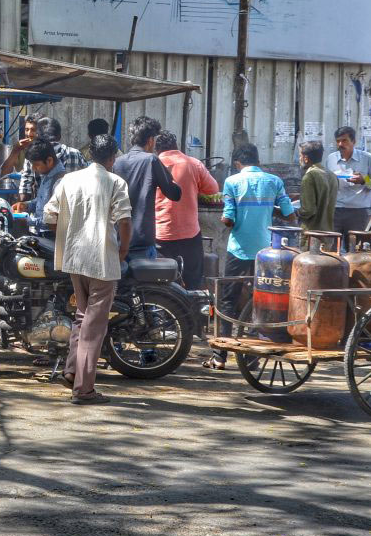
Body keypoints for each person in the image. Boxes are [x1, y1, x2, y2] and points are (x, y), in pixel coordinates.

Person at [43, 134, 132, 405]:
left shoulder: (68, 180)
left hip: (74, 258)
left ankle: (72, 372)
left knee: (83, 318)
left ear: (90, 154)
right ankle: (84, 389)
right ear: (112, 158)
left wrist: (69, 235)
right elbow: (125, 221)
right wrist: (123, 251)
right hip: (102, 261)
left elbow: (49, 216)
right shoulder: (115, 182)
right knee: (94, 326)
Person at [205, 143, 295, 370]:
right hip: (265, 252)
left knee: (227, 299)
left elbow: (228, 219)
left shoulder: (232, 182)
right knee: (260, 300)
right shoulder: (274, 182)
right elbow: (289, 214)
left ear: (237, 163)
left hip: (238, 250)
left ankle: (220, 356)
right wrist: (267, 210)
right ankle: (253, 356)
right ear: (257, 160)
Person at [154, 130, 219, 290]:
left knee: (159, 283)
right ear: (177, 146)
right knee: (193, 281)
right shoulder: (193, 163)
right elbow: (213, 189)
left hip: (160, 234)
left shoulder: (152, 163)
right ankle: (193, 312)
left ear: (156, 148)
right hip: (189, 234)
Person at [113, 116, 181, 259]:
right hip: (142, 241)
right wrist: (169, 175)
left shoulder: (117, 162)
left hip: (118, 238)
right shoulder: (151, 160)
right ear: (150, 140)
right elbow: (175, 194)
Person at [327, 126, 371, 244]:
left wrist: (364, 180)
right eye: (338, 141)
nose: (340, 144)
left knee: (356, 251)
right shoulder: (331, 158)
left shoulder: (367, 158)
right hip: (335, 210)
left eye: (344, 140)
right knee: (330, 250)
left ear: (354, 142)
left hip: (358, 212)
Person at [17, 117, 86, 202]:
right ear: (59, 136)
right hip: (73, 208)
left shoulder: (33, 156)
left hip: (44, 210)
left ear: (38, 136)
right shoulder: (76, 153)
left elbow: (25, 192)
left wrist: (23, 206)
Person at [14, 140, 66, 236]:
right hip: (42, 233)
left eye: (36, 165)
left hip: (51, 236)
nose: (33, 168)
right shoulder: (47, 175)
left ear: (49, 161)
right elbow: (42, 200)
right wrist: (27, 205)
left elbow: (54, 219)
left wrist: (28, 221)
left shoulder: (60, 181)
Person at [297, 140, 338, 233]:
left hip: (311, 233)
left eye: (300, 156)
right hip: (328, 233)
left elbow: (308, 210)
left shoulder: (309, 176)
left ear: (306, 158)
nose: (299, 159)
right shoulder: (332, 175)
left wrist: (295, 212)